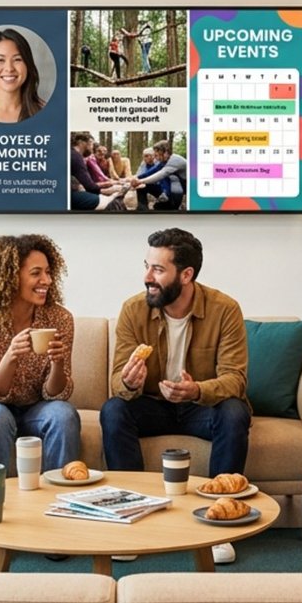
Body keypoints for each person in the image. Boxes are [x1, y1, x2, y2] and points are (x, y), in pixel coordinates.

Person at [101, 228, 249, 563]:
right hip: (152, 406)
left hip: (200, 407)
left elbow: (235, 379)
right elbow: (116, 384)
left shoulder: (225, 309)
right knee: (113, 410)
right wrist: (129, 382)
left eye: (157, 270)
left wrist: (197, 389)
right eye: (147, 266)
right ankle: (130, 516)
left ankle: (219, 522)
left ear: (186, 275)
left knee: (235, 411)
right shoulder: (133, 310)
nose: (146, 277)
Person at [0, 235, 82, 475]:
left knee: (63, 415)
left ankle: (58, 504)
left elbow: (55, 394)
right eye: (36, 273)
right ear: (10, 277)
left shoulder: (59, 318)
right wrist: (11, 356)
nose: (46, 280)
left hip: (36, 406)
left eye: (48, 272)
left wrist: (58, 364)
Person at [0, 28, 46, 123]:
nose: (9, 68)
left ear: (28, 65)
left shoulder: (45, 110)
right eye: (0, 60)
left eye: (17, 59)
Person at [69, 131, 127, 211]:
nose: (93, 148)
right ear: (81, 142)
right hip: (67, 196)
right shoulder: (76, 156)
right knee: (113, 202)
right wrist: (111, 191)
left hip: (71, 191)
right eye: (91, 144)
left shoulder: (70, 153)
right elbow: (90, 186)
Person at [132, 140, 187, 210]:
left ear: (166, 153)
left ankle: (173, 206)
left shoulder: (175, 161)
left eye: (156, 155)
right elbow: (152, 171)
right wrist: (137, 178)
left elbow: (159, 175)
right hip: (171, 187)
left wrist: (140, 181)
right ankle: (142, 209)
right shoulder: (164, 160)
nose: (155, 158)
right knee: (142, 187)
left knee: (173, 180)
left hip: (184, 186)